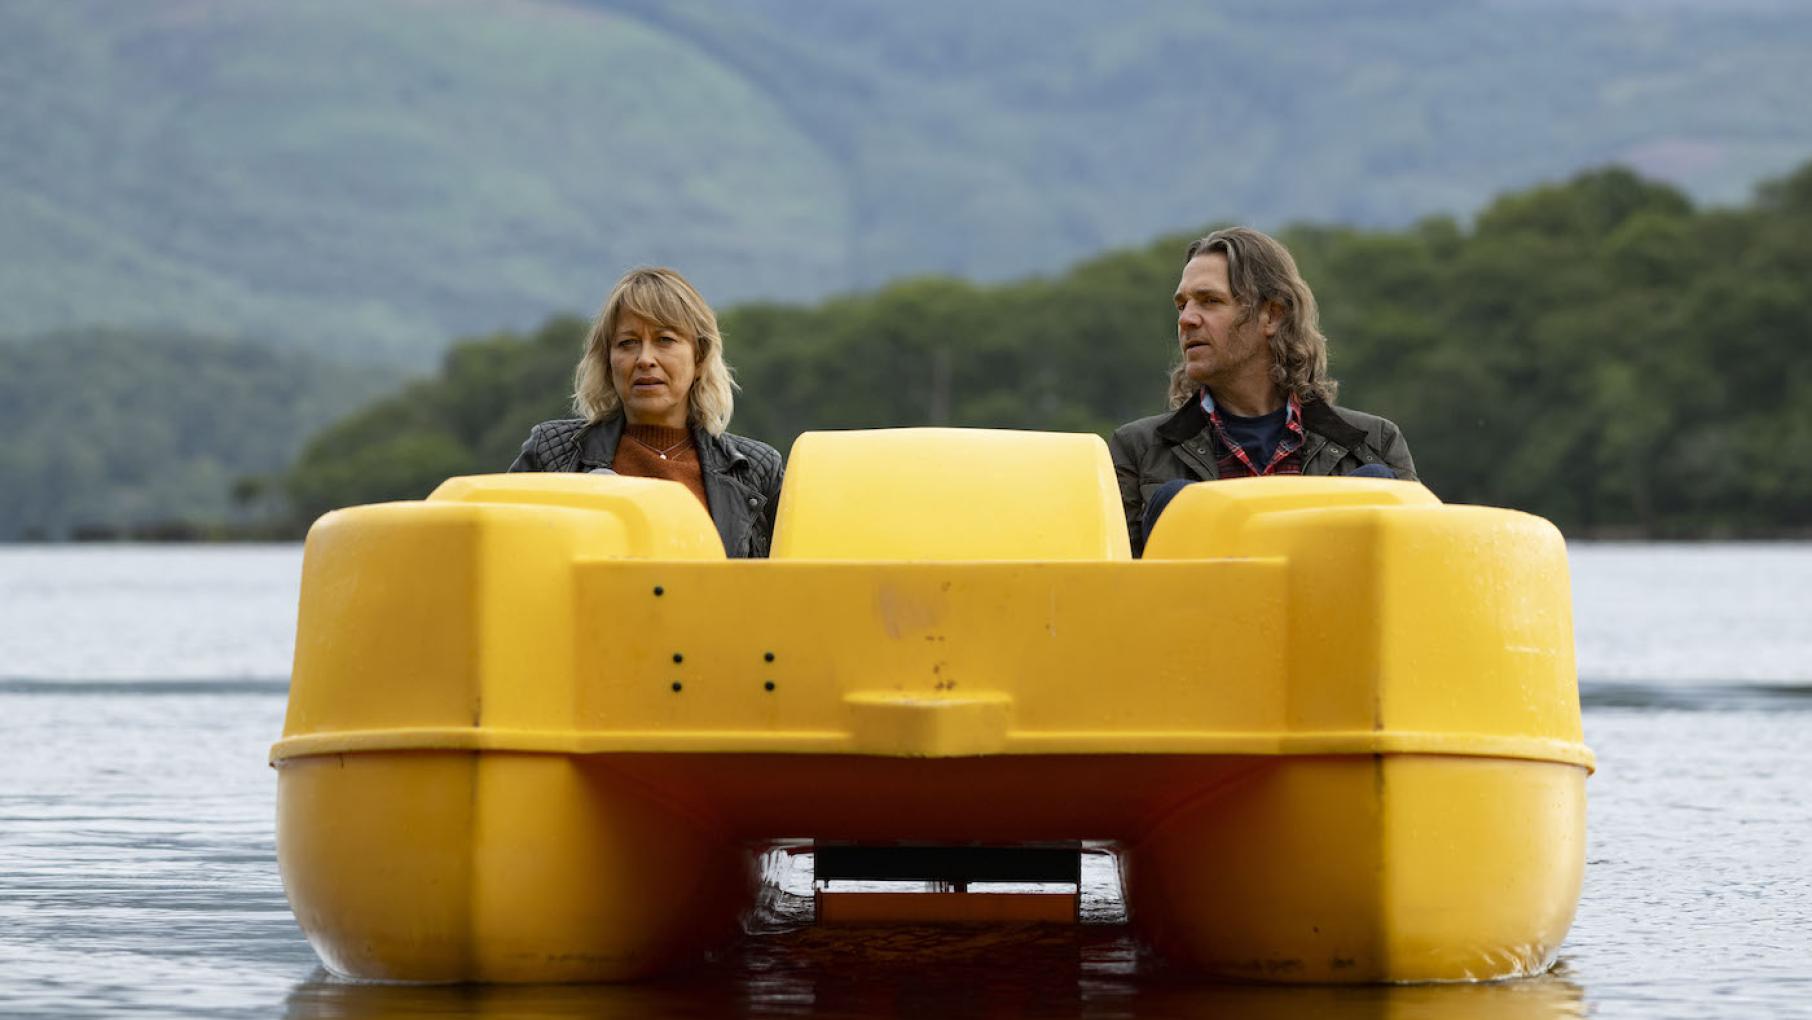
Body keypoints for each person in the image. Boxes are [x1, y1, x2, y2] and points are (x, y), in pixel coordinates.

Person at [1108, 227, 1416, 557]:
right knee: (1176, 501)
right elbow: (1113, 588)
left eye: (1210, 301)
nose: (1186, 319)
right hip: (1199, 608)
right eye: (1182, 305)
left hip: (1330, 607)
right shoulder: (1136, 449)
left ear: (1272, 315)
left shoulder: (1376, 443)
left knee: (1373, 485)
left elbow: (1419, 572)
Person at [510, 267, 784, 558]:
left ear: (700, 356)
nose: (644, 359)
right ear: (608, 360)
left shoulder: (756, 469)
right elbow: (501, 559)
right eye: (627, 343)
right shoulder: (551, 453)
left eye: (664, 339)